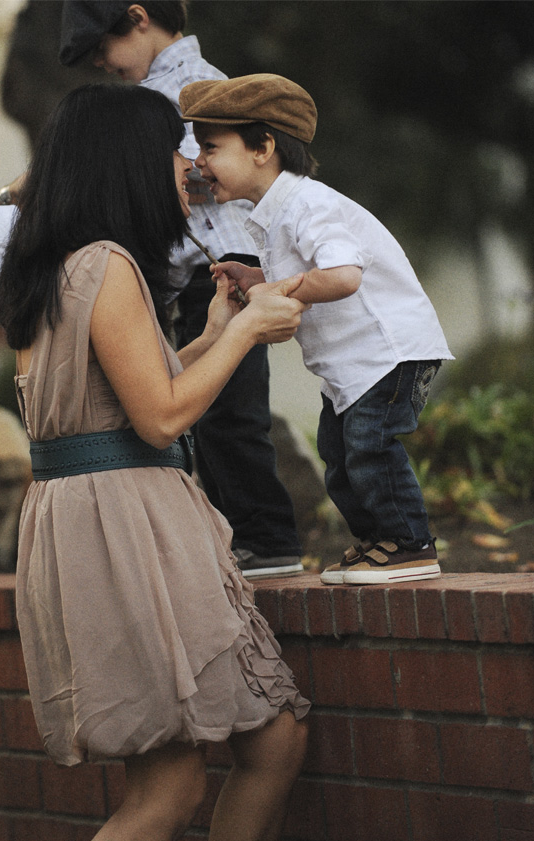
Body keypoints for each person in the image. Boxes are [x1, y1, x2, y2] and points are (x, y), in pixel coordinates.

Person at [0, 82, 310, 841]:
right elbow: (160, 417)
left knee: (253, 747)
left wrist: (214, 331)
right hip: (128, 527)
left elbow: (127, 393)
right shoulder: (106, 264)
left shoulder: (53, 268)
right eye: (174, 147)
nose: (186, 165)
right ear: (129, 159)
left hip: (89, 520)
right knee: (179, 784)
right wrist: (249, 333)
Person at [0, 2, 305, 579]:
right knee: (182, 401)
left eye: (102, 50)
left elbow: (233, 172)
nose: (101, 65)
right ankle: (245, 530)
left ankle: (265, 537)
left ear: (138, 18)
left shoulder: (198, 89)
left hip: (218, 262)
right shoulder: (98, 264)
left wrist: (165, 169)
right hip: (180, 272)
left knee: (230, 412)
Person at [180, 73, 453, 586]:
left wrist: (279, 291)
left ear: (262, 147)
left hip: (387, 352)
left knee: (370, 447)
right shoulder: (275, 213)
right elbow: (309, 270)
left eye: (210, 147)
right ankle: (378, 541)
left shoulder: (310, 205)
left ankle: (411, 544)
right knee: (339, 453)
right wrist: (257, 278)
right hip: (351, 365)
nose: (198, 162)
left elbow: (344, 276)